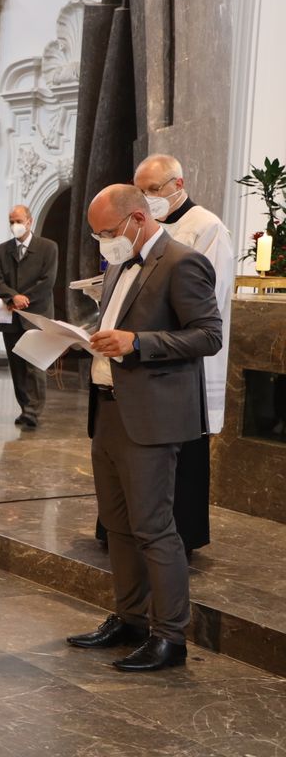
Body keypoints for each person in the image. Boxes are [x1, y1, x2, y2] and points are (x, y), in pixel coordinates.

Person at [66, 184, 221, 672]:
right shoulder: (117, 264)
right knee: (118, 526)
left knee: (155, 528)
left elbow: (209, 334)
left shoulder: (182, 262)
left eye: (107, 232)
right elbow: (117, 325)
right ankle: (130, 619)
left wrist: (138, 342)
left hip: (151, 416)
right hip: (109, 409)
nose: (102, 242)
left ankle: (169, 637)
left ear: (137, 218)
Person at [125, 153, 235, 554]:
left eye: (154, 189)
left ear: (178, 185)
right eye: (141, 191)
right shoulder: (145, 229)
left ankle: (178, 540)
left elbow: (210, 295)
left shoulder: (206, 227)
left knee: (182, 459)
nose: (148, 197)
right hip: (143, 359)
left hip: (183, 362)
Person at [0, 204, 58, 429]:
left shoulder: (48, 248)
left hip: (36, 315)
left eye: (19, 221)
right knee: (17, 366)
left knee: (35, 365)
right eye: (11, 221)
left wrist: (23, 298)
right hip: (10, 317)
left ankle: (33, 411)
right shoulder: (2, 250)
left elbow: (47, 281)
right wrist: (12, 297)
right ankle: (24, 408)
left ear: (30, 221)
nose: (15, 225)